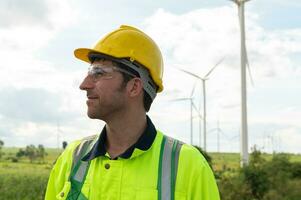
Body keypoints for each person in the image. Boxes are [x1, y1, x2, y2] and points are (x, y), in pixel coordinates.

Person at [45, 25, 220, 200]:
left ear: (134, 86)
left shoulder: (189, 166)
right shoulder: (72, 157)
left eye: (98, 73)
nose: (84, 84)